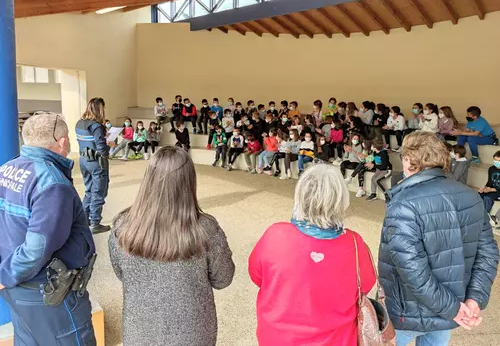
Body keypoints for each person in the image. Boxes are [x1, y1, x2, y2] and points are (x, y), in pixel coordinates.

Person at [378, 131, 499, 346]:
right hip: (450, 309)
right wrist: (473, 300)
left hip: (410, 312)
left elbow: (412, 270)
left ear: (408, 160)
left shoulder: (403, 203)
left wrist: (454, 308)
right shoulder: (470, 195)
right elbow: (488, 253)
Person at [109, 147, 235, 346]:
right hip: (193, 332)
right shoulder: (206, 229)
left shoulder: (122, 225)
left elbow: (121, 273)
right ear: (189, 181)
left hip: (139, 331)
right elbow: (223, 279)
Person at [248, 164, 376, 346]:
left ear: (300, 195)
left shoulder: (275, 234)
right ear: (341, 200)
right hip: (337, 339)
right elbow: (364, 286)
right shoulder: (355, 244)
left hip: (277, 338)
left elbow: (257, 275)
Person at [0, 112, 97, 345]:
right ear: (63, 142)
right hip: (49, 293)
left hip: (17, 290)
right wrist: (4, 276)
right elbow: (37, 248)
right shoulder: (52, 183)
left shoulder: (6, 170)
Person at [76, 98, 111, 234]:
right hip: (96, 162)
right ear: (99, 109)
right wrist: (110, 144)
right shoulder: (96, 126)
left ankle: (84, 220)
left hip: (83, 160)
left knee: (89, 190)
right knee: (99, 191)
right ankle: (95, 222)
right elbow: (102, 149)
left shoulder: (80, 123)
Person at [478, 150, 500, 215]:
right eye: (495, 160)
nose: (496, 162)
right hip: (492, 189)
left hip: (498, 191)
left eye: (499, 161)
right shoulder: (491, 169)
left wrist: (490, 189)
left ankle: (485, 216)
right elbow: (489, 182)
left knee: (487, 198)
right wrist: (484, 188)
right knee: (479, 194)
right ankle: (477, 213)